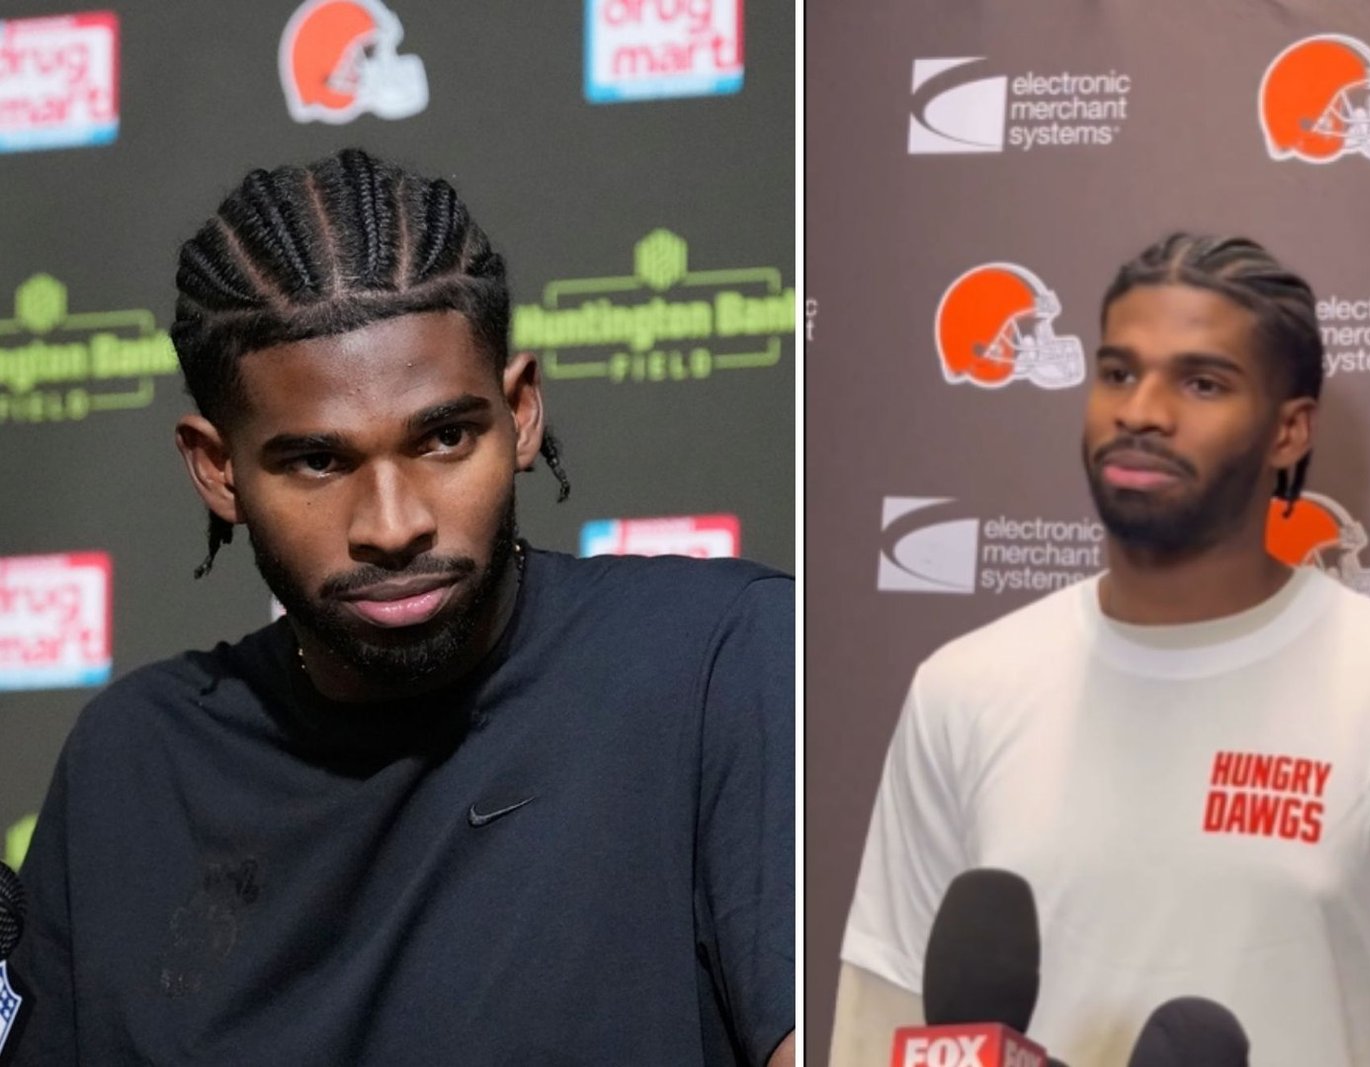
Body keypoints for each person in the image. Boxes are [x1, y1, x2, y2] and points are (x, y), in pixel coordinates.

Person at [10, 149, 795, 1066]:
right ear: (217, 469)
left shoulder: (717, 666)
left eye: (445, 438)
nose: (395, 525)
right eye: (318, 461)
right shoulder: (131, 763)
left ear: (522, 413)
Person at [830, 234, 1370, 1067]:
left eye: (1201, 381)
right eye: (1118, 372)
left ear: (1290, 431)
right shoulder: (962, 690)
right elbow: (881, 1026)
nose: (1141, 410)